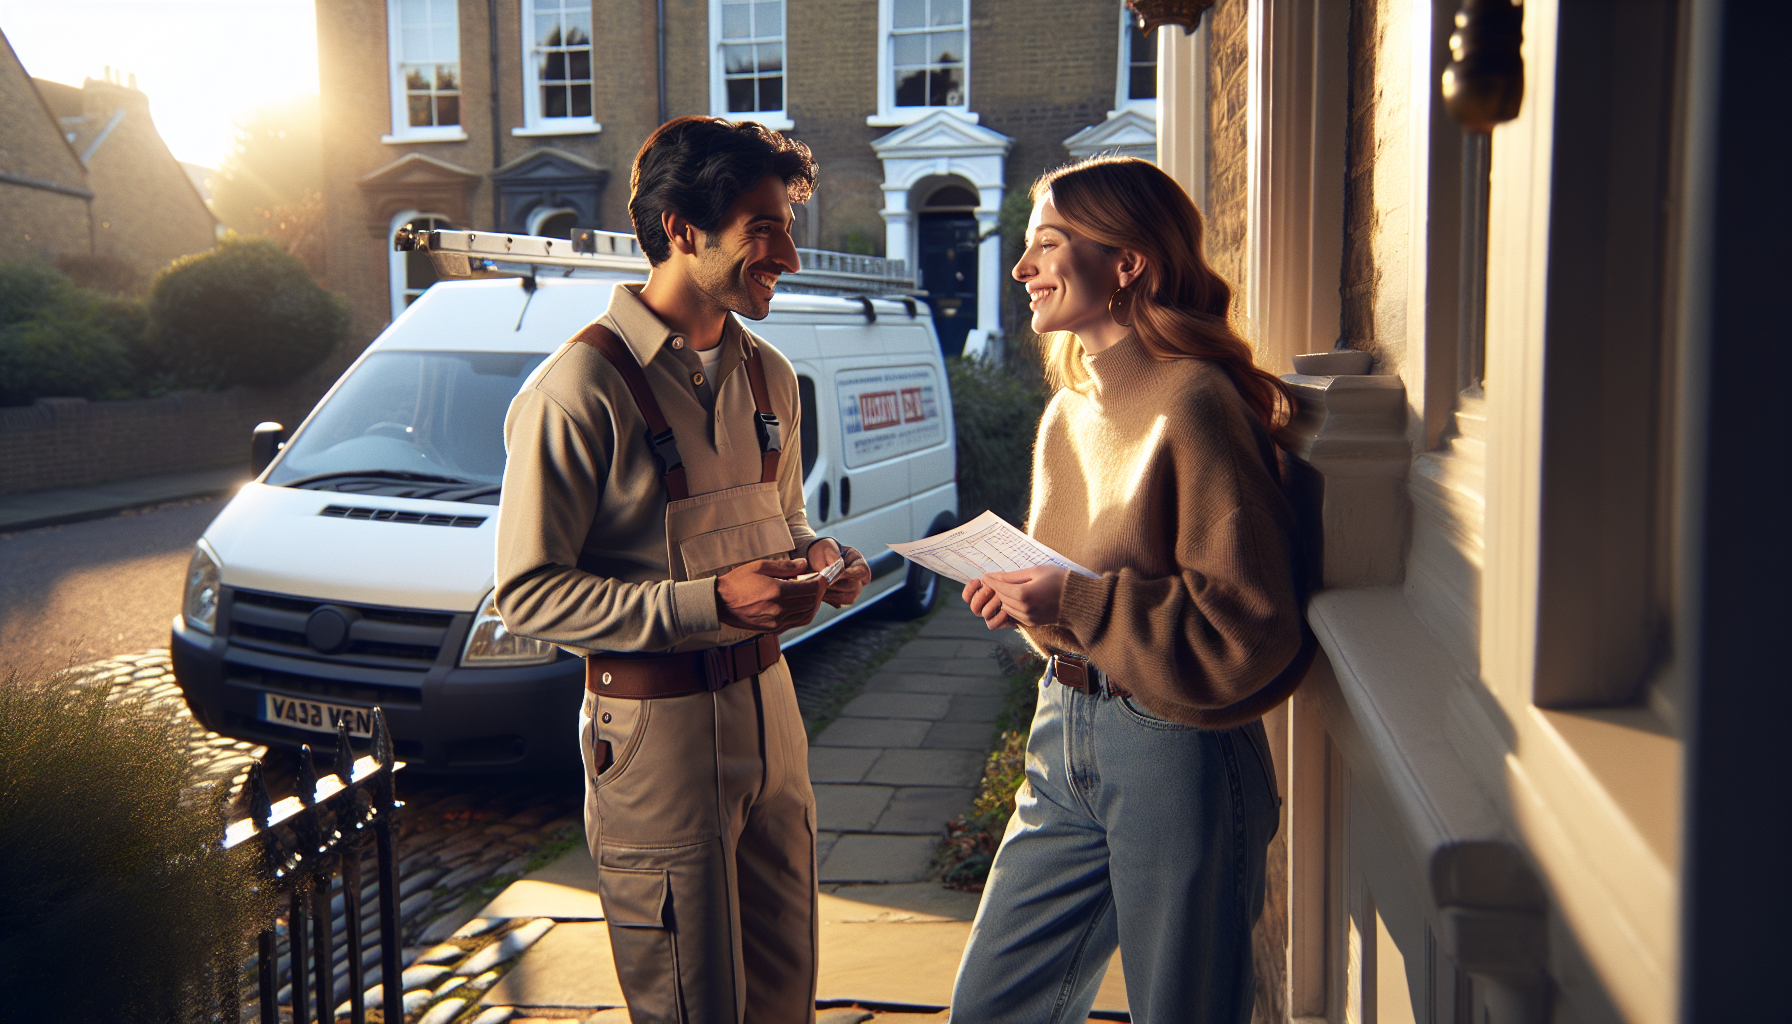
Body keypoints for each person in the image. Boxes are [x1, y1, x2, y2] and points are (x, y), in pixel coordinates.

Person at [493, 116, 869, 1024]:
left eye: (787, 224)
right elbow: (527, 595)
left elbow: (783, 517)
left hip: (773, 714)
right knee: (692, 1004)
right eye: (762, 227)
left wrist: (818, 557)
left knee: (785, 994)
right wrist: (709, 602)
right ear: (681, 227)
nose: (787, 251)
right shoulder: (574, 392)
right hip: (653, 732)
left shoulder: (772, 374)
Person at [948, 155, 1314, 1024]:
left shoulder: (1197, 401)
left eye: (1045, 246)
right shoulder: (1067, 412)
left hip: (1174, 746)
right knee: (989, 1007)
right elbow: (1073, 593)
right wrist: (1024, 601)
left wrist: (1072, 603)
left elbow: (1252, 622)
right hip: (1061, 728)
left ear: (1127, 263)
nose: (1021, 268)